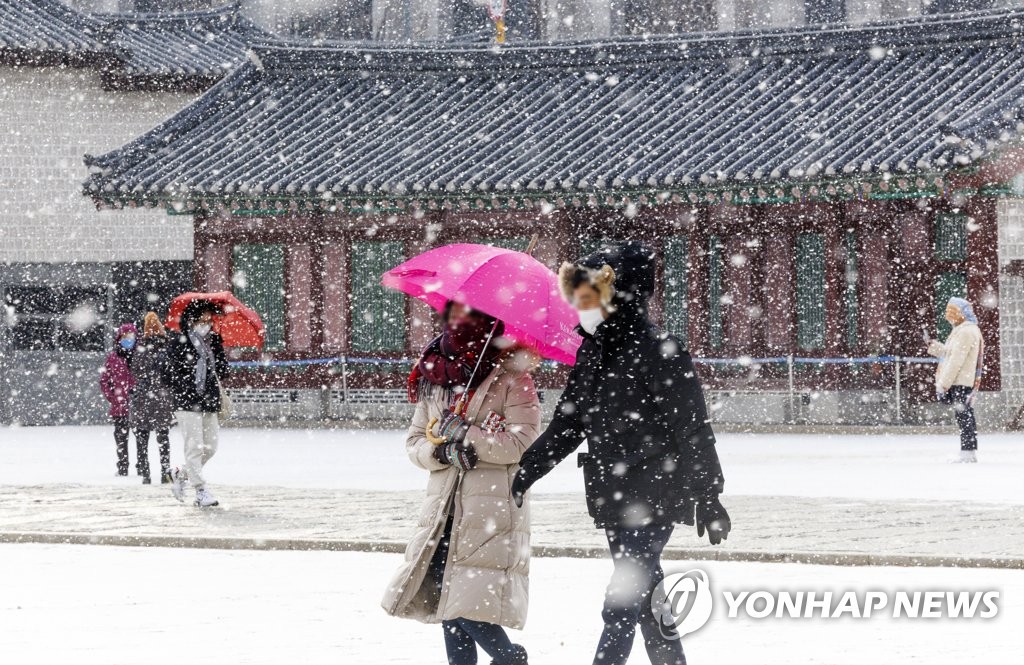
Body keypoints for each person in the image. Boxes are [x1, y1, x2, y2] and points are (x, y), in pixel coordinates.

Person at [511, 241, 730, 665]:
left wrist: (709, 494)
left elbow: (693, 428)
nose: (580, 306)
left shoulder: (661, 351)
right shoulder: (593, 352)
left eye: (588, 295)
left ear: (617, 296)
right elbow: (569, 422)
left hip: (657, 490)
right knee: (647, 594)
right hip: (611, 491)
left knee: (623, 597)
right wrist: (529, 468)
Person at [382, 302, 540, 665]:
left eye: (467, 320)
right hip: (443, 509)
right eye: (452, 318)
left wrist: (469, 434)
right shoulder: (434, 375)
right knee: (448, 608)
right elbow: (415, 442)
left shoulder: (513, 378)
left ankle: (510, 659)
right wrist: (441, 454)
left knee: (468, 606)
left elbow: (521, 443)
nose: (457, 327)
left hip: (489, 509)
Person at [164, 300, 228, 507]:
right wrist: (187, 378)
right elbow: (167, 374)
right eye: (202, 320)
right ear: (191, 320)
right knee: (194, 447)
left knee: (210, 447)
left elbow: (223, 372)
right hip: (187, 401)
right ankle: (200, 491)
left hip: (209, 400)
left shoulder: (213, 342)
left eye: (210, 320)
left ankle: (179, 474)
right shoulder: (179, 341)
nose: (206, 324)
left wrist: (218, 349)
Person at [928, 296, 984, 463]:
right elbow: (951, 353)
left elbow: (955, 361)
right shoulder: (963, 330)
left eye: (951, 312)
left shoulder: (966, 331)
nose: (948, 317)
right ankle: (968, 451)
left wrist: (943, 384)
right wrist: (935, 347)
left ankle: (968, 453)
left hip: (961, 381)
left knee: (964, 416)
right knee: (964, 415)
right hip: (962, 380)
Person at [130, 312, 175, 485]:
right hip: (162, 399)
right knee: (163, 437)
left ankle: (146, 473)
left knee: (142, 438)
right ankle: (165, 471)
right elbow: (171, 372)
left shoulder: (141, 348)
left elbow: (135, 370)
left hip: (143, 399)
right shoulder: (167, 348)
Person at [100, 324, 138, 477]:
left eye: (131, 337)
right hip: (120, 406)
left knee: (141, 436)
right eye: (125, 337)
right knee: (121, 437)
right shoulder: (113, 358)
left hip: (138, 404)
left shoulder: (140, 356)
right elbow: (104, 380)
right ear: (119, 338)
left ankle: (142, 466)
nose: (128, 340)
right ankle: (123, 466)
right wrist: (112, 397)